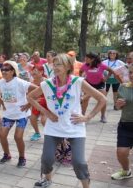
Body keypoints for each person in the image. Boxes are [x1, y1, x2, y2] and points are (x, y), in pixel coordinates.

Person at [27, 54, 106, 188]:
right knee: (46, 159)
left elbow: (102, 99)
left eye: (59, 64)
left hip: (75, 127)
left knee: (79, 163)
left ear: (68, 67)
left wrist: (88, 117)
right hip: (54, 127)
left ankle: (86, 186)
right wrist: (45, 112)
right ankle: (47, 179)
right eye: (54, 64)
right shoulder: (47, 84)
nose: (55, 67)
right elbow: (30, 97)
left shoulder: (78, 82)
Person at [0, 61, 37, 167]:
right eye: (2, 70)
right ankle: (7, 154)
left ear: (12, 71)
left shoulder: (19, 82)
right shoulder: (1, 82)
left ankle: (22, 157)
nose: (3, 72)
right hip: (8, 115)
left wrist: (29, 104)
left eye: (6, 70)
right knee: (1, 135)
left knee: (18, 137)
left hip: (21, 114)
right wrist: (2, 102)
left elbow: (38, 89)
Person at [80, 52, 117, 123]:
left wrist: (106, 78)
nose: (85, 59)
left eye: (87, 58)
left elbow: (111, 71)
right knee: (85, 100)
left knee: (102, 100)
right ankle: (83, 115)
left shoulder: (101, 65)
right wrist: (82, 78)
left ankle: (103, 116)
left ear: (92, 59)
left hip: (100, 84)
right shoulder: (85, 65)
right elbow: (80, 71)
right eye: (85, 57)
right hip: (89, 85)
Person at [111, 65, 133, 180]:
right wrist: (118, 105)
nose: (132, 75)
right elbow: (118, 106)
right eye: (130, 73)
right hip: (126, 124)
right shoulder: (123, 87)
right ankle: (126, 171)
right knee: (121, 152)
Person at [29, 65, 47, 141]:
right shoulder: (31, 83)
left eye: (35, 71)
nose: (33, 72)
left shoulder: (46, 81)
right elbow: (29, 95)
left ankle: (48, 135)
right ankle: (37, 133)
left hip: (46, 103)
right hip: (36, 103)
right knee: (32, 118)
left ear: (41, 72)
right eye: (32, 71)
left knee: (44, 120)